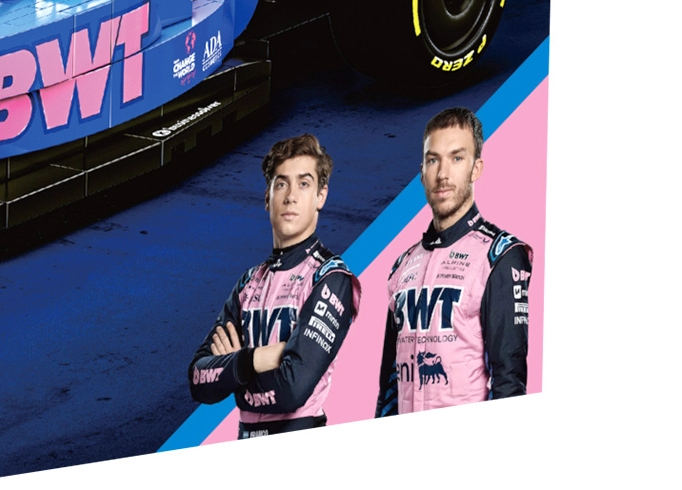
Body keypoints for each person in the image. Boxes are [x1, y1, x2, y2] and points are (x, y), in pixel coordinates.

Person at [189, 134, 360, 437]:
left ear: (320, 196)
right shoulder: (248, 283)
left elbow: (293, 389)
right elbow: (199, 380)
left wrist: (234, 374)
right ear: (267, 197)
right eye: (281, 184)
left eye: (304, 184)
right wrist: (257, 359)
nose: (291, 196)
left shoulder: (331, 278)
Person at [378, 107, 532, 415]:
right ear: (422, 171)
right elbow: (388, 386)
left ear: (476, 168)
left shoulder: (500, 255)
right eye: (433, 160)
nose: (443, 174)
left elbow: (509, 382)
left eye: (457, 158)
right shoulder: (402, 265)